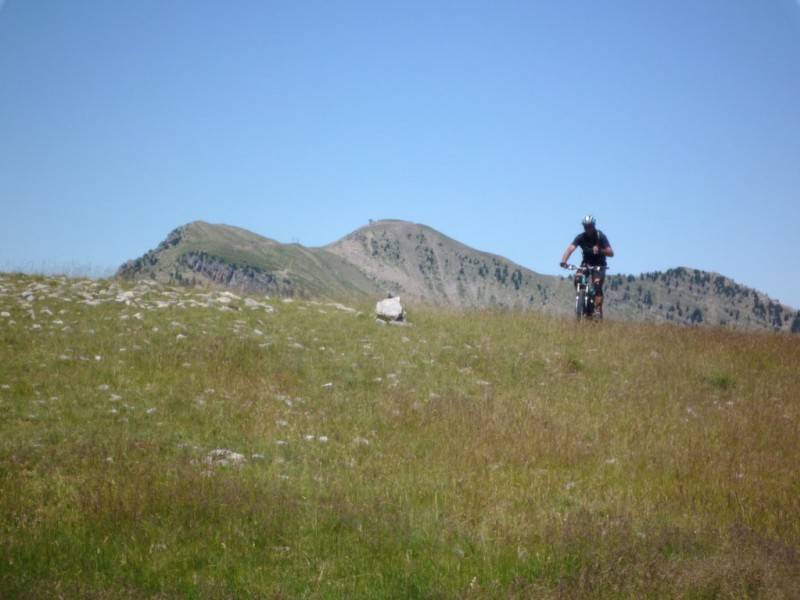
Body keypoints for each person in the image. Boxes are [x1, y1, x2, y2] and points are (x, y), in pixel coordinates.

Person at [560, 215, 614, 319]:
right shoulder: (581, 237)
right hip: (586, 263)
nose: (588, 229)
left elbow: (611, 253)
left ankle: (597, 310)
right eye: (585, 227)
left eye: (590, 226)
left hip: (599, 264)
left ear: (594, 226)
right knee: (578, 278)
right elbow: (571, 249)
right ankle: (581, 297)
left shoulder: (600, 236)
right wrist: (564, 261)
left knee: (597, 284)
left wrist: (601, 250)